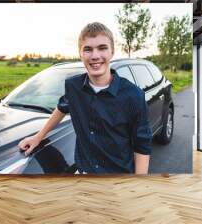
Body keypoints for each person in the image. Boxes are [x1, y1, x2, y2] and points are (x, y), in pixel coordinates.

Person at [18, 22, 152, 174]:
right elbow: (61, 107)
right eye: (88, 49)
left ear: (112, 52)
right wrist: (38, 136)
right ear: (80, 53)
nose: (95, 56)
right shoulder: (73, 86)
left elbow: (142, 146)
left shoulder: (133, 95)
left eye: (102, 48)